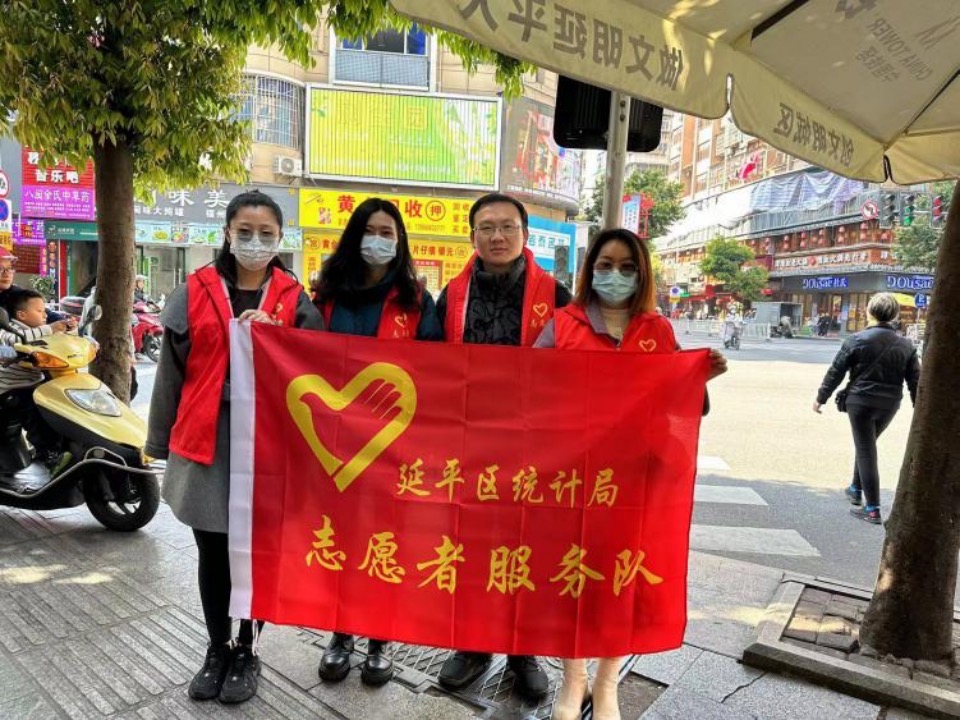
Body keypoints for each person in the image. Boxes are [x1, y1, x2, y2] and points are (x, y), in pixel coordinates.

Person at [534, 228, 727, 720]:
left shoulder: (657, 330)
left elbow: (686, 405)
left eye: (626, 267)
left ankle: (606, 683)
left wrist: (699, 377)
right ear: (590, 270)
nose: (614, 275)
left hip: (639, 478)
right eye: (605, 265)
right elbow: (528, 390)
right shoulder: (562, 325)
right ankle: (573, 680)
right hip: (575, 477)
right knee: (573, 577)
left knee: (623, 579)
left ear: (641, 275)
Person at [146, 191, 323, 705]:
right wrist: (159, 440)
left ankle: (248, 648)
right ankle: (217, 648)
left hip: (269, 443)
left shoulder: (294, 299)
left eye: (267, 233)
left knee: (257, 552)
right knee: (213, 552)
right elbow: (170, 372)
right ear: (227, 233)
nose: (255, 242)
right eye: (245, 231)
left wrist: (281, 340)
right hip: (206, 438)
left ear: (280, 238)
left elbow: (316, 370)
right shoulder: (195, 290)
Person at [434, 192, 572, 702]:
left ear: (525, 234)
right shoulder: (452, 295)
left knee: (525, 548)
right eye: (487, 227)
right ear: (472, 235)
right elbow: (424, 363)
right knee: (469, 546)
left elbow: (586, 363)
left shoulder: (555, 295)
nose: (497, 236)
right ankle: (472, 644)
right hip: (467, 443)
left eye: (507, 226)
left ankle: (523, 651)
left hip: (531, 447)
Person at [311, 198, 441, 687]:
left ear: (400, 241)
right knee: (341, 540)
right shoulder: (326, 294)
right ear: (354, 236)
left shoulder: (415, 300)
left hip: (394, 446)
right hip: (336, 445)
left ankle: (380, 639)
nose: (379, 240)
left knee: (385, 543)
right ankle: (341, 633)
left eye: (388, 232)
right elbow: (299, 353)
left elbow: (437, 368)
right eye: (370, 230)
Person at [813, 292, 920, 524]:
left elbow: (836, 371)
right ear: (894, 315)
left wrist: (821, 397)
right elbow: (915, 382)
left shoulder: (857, 339)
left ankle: (872, 508)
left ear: (869, 312)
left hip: (860, 401)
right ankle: (855, 489)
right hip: (889, 404)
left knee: (866, 449)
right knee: (867, 444)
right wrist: (918, 408)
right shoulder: (906, 345)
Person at [0, 288, 76, 473]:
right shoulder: (9, 330)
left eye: (45, 310)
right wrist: (51, 328)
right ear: (22, 315)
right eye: (40, 311)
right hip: (11, 390)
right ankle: (49, 455)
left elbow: (62, 342)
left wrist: (70, 329)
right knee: (37, 413)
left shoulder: (39, 331)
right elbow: (13, 341)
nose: (45, 315)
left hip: (34, 384)